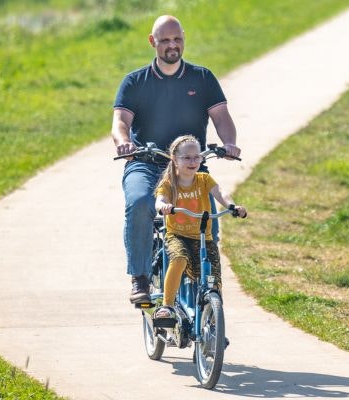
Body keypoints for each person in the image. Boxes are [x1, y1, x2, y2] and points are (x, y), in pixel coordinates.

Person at [111, 15, 241, 303]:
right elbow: (120, 121)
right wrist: (125, 143)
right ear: (152, 42)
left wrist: (229, 143)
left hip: (189, 168)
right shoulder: (135, 82)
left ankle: (208, 302)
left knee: (207, 225)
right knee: (140, 202)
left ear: (183, 39)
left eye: (177, 39)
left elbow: (221, 117)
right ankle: (141, 276)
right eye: (165, 40)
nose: (172, 45)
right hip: (145, 163)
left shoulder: (202, 78)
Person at [154, 135, 247, 318]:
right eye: (186, 158)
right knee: (179, 259)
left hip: (203, 236)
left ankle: (213, 324)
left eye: (197, 157)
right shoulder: (169, 183)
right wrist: (163, 207)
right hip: (177, 235)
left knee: (213, 276)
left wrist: (232, 206)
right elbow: (160, 199)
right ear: (175, 159)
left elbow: (220, 192)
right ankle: (167, 305)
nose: (193, 161)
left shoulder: (204, 179)